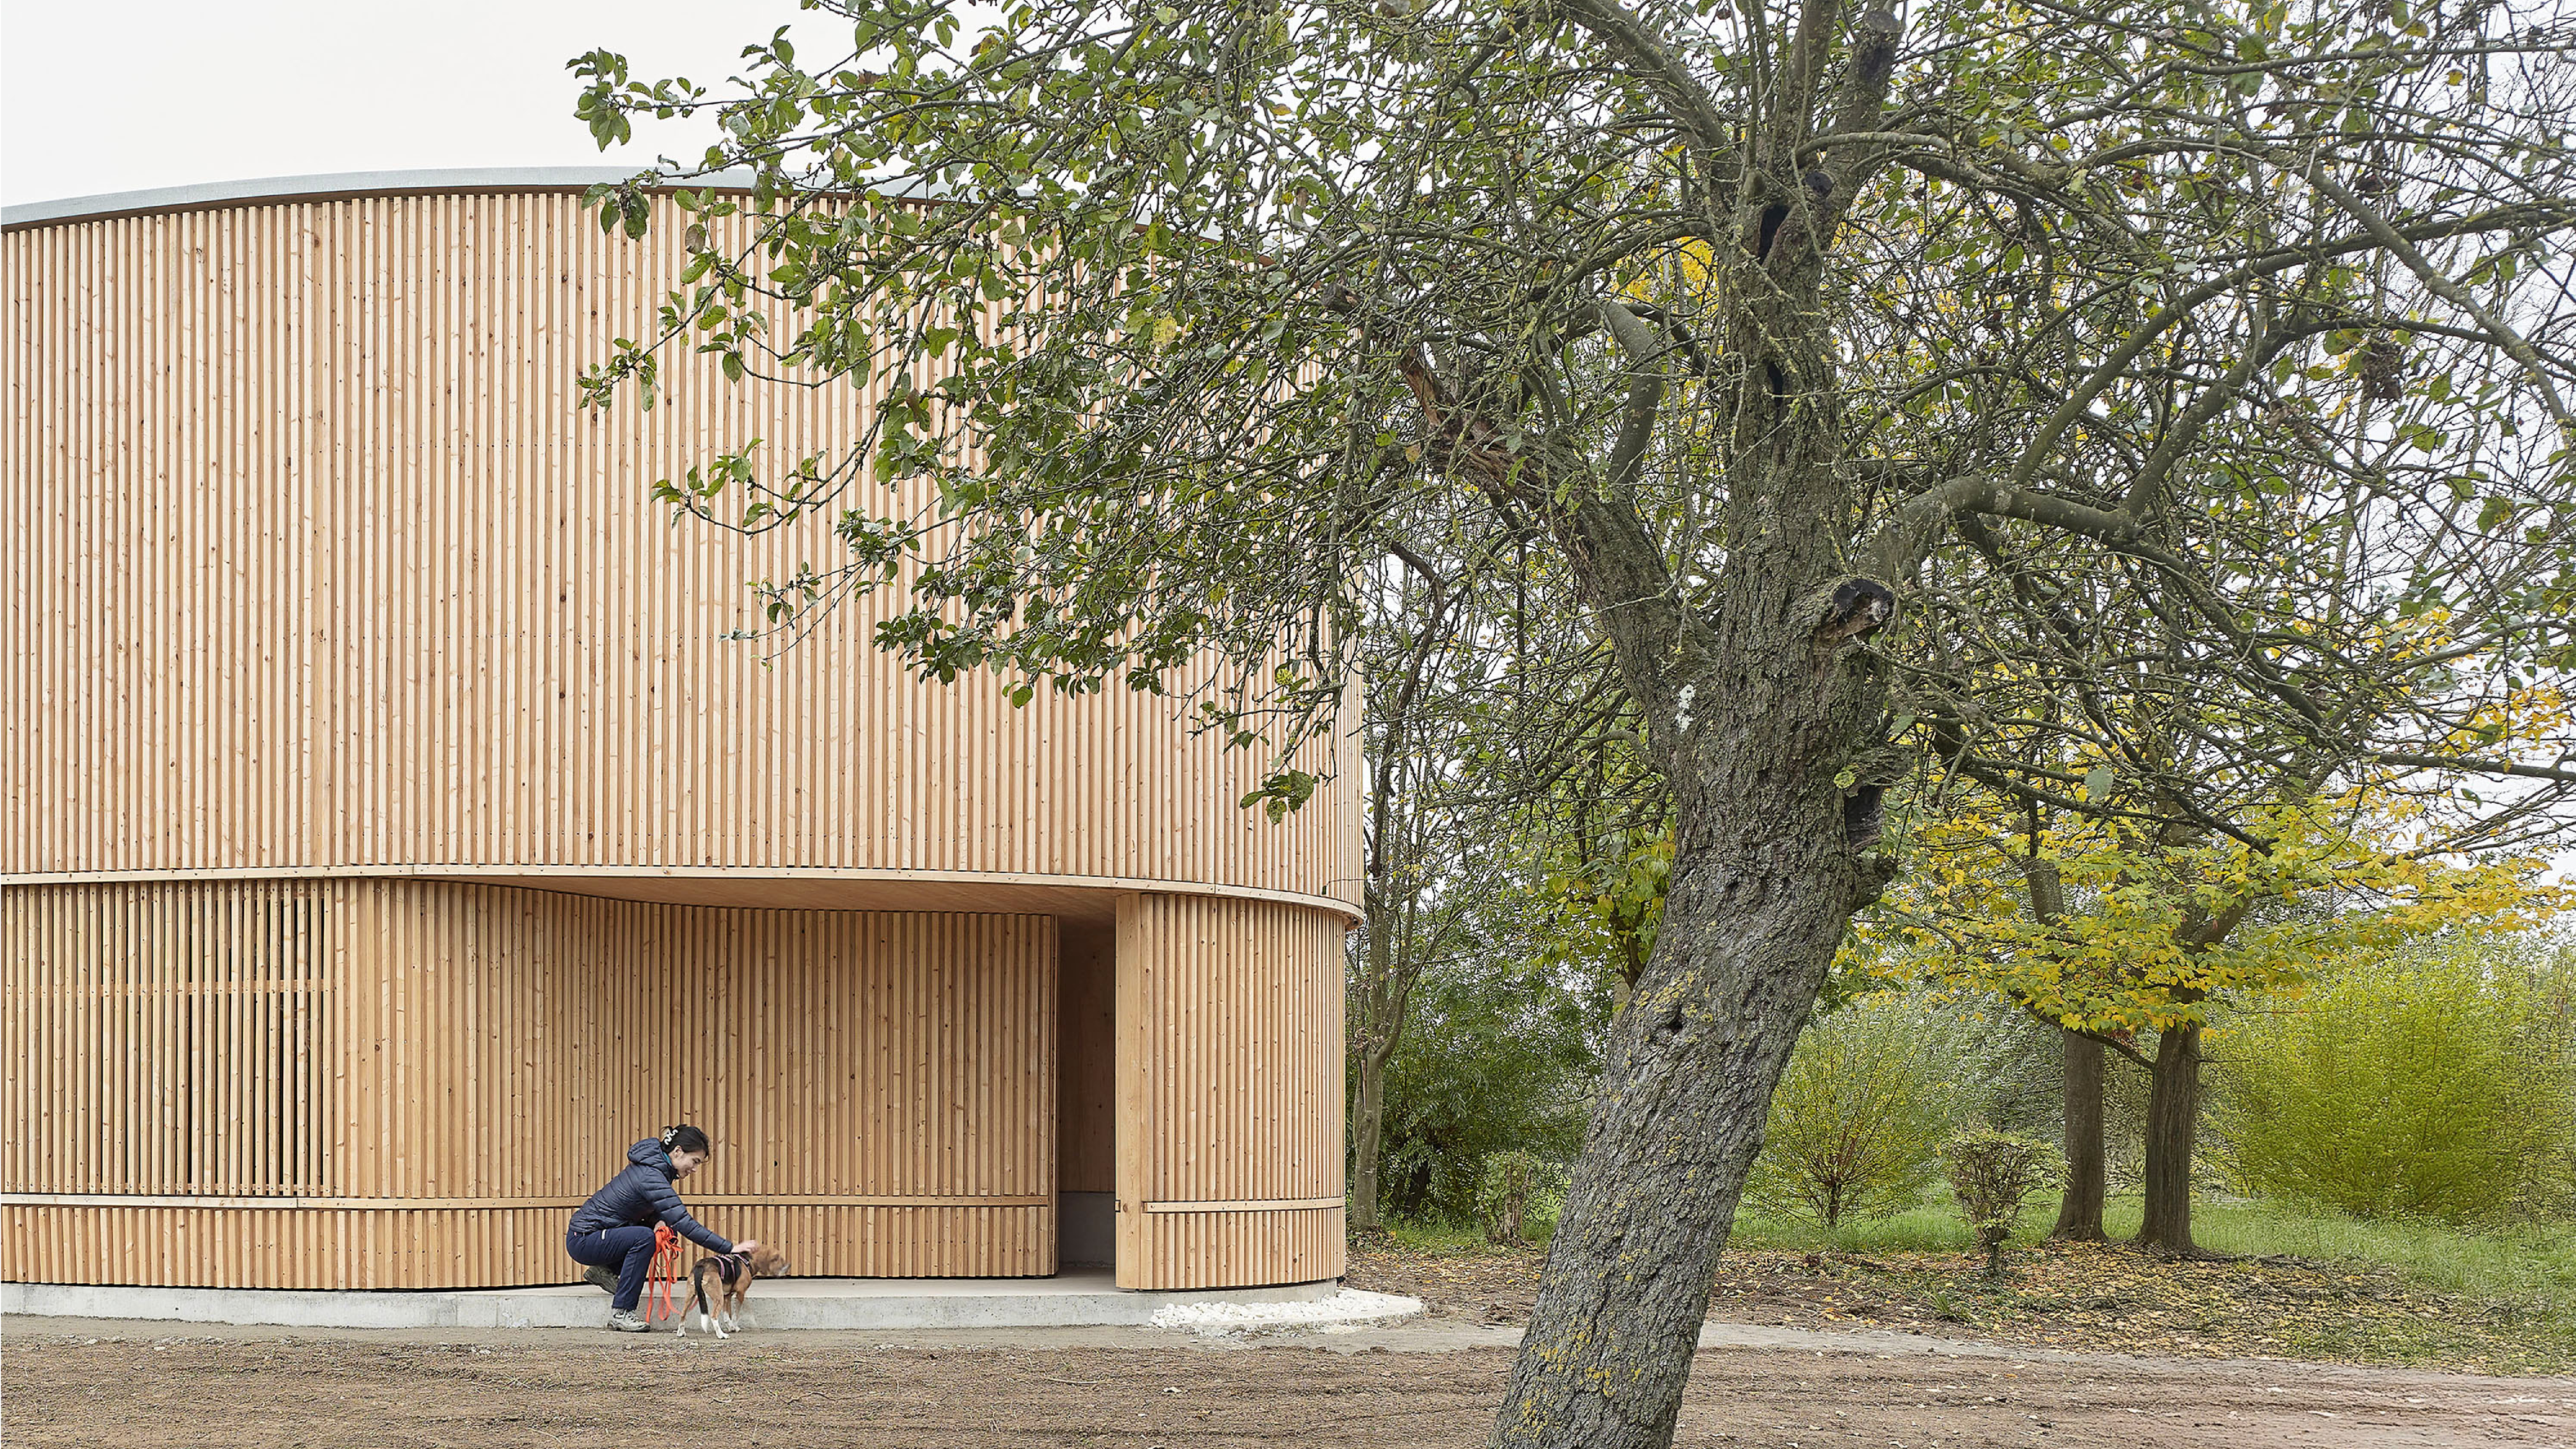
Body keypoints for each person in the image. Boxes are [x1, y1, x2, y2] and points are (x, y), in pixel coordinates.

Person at [565, 1125, 762, 1332]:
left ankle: (605, 1272)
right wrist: (729, 1248)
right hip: (585, 1239)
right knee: (644, 1237)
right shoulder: (652, 1175)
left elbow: (653, 1209)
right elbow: (684, 1222)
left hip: (599, 1235)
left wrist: (659, 1222)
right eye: (694, 1161)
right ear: (678, 1152)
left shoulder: (657, 1169)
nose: (695, 1169)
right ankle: (622, 1313)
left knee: (655, 1232)